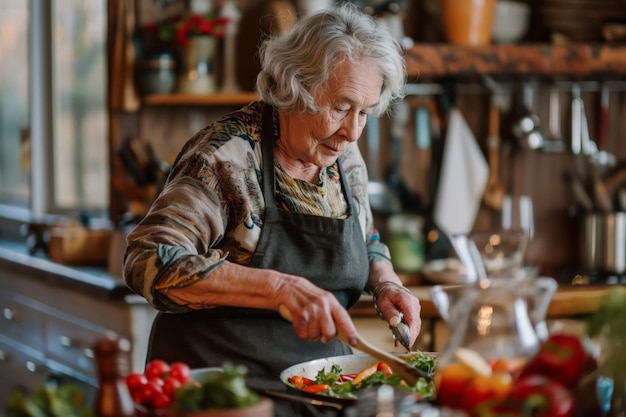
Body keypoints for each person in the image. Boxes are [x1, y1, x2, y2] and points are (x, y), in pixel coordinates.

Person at [123, 3, 421, 416]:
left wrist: (387, 283)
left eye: (365, 113)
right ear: (296, 85)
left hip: (318, 395)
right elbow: (148, 259)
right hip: (226, 399)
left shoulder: (343, 159)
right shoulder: (224, 158)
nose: (352, 131)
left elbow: (366, 238)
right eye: (340, 107)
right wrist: (278, 288)